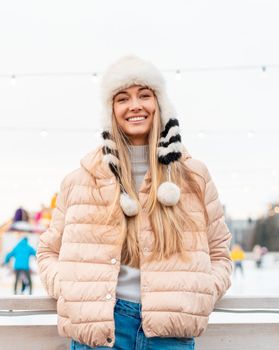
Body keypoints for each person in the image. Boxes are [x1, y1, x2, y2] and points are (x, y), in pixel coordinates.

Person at [37, 56, 232, 349]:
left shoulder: (194, 176)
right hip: (103, 333)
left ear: (160, 104)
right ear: (111, 111)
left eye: (144, 95)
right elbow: (48, 251)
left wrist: (199, 293)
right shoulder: (79, 180)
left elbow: (219, 253)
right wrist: (71, 292)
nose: (135, 105)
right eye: (122, 98)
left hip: (171, 334)